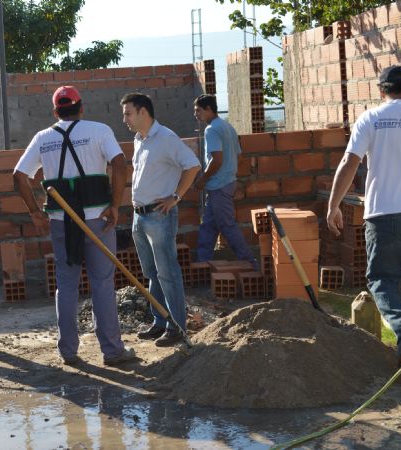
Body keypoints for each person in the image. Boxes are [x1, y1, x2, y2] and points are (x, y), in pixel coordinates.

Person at [13, 85, 135, 367]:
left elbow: (19, 176)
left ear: (55, 112)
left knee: (67, 285)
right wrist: (115, 205)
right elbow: (119, 164)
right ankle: (112, 352)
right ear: (81, 108)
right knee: (102, 283)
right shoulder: (99, 130)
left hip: (61, 221)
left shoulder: (43, 138)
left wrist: (34, 212)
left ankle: (68, 352)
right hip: (98, 220)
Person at [326, 65, 401, 366]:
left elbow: (349, 162)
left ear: (381, 90)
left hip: (385, 213)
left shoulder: (372, 118)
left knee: (383, 278)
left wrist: (334, 205)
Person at [120, 92, 201, 347]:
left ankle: (177, 326)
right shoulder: (139, 139)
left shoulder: (165, 138)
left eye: (128, 113)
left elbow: (193, 165)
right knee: (152, 272)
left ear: (143, 112)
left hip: (159, 215)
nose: (125, 119)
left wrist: (176, 196)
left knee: (168, 273)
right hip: (140, 216)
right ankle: (160, 321)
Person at [192, 94, 259, 270]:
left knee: (227, 225)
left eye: (198, 110)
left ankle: (251, 263)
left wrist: (202, 179)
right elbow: (239, 156)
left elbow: (217, 160)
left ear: (208, 109)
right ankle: (202, 263)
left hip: (219, 185)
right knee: (208, 226)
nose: (196, 115)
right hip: (224, 183)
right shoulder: (228, 126)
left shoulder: (211, 129)